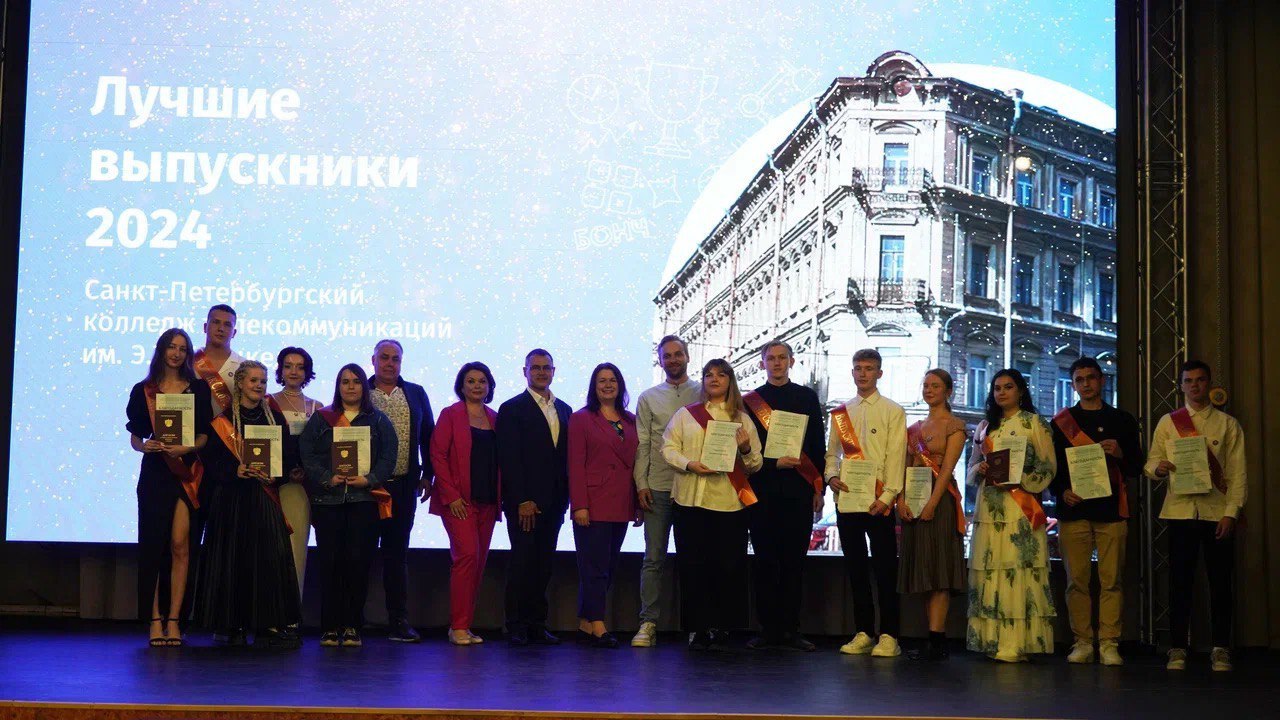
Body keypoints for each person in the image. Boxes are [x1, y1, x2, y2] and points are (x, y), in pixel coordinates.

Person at [1145, 360, 1247, 672]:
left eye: (1200, 380)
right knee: (1179, 583)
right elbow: (1151, 462)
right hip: (1180, 512)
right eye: (1188, 381)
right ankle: (1177, 647)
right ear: (1181, 386)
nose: (1194, 386)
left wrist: (1231, 513)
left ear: (1209, 383)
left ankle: (1220, 647)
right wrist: (1159, 468)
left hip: (1217, 513)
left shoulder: (1228, 424)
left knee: (1220, 583)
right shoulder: (1168, 422)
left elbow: (1238, 474)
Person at [194, 360, 301, 648]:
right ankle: (231, 624)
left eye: (263, 381)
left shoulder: (275, 419)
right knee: (232, 560)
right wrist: (235, 471)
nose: (259, 385)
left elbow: (288, 458)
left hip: (264, 498)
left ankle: (268, 624)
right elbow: (211, 462)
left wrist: (277, 473)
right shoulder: (223, 421)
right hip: (232, 499)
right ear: (240, 383)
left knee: (268, 560)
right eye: (253, 380)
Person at [662, 358, 763, 651]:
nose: (714, 379)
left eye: (721, 375)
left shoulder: (742, 420)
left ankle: (722, 627)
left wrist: (745, 448)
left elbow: (755, 464)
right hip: (690, 502)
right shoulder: (685, 415)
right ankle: (697, 628)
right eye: (708, 375)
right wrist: (690, 463)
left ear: (730, 381)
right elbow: (668, 448)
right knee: (693, 568)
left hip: (729, 504)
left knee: (727, 568)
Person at [1049, 357, 1144, 666]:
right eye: (1080, 379)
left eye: (1091, 377)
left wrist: (1120, 453)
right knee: (1076, 581)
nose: (1086, 383)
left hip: (1111, 510)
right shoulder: (1061, 422)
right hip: (1073, 510)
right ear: (1073, 385)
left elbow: (1137, 466)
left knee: (1111, 581)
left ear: (1102, 380)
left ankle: (1109, 642)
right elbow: (1052, 468)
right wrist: (1061, 490)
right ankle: (1082, 641)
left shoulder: (1122, 420)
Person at [299, 363, 397, 648]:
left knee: (358, 564)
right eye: (345, 381)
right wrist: (326, 477)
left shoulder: (378, 420)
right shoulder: (322, 418)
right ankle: (329, 627)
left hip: (364, 502)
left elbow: (389, 457)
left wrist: (369, 479)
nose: (351, 386)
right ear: (338, 386)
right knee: (330, 564)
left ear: (364, 386)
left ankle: (353, 626)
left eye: (356, 381)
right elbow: (307, 454)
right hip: (328, 502)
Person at [125, 328, 211, 647]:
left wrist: (187, 448)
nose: (176, 353)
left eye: (182, 348)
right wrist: (144, 446)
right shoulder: (144, 390)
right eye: (171, 347)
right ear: (161, 350)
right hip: (155, 473)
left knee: (180, 544)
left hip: (187, 472)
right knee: (153, 545)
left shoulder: (198, 389)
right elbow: (136, 436)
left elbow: (204, 436)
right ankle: (154, 620)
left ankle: (175, 618)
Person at [965, 368, 1057, 662]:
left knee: (1017, 571)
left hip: (1020, 508)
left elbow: (1048, 466)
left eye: (1008, 387)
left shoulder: (1034, 423)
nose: (1001, 392)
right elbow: (970, 469)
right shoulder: (985, 427)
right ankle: (992, 640)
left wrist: (1022, 480)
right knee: (992, 570)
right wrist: (979, 469)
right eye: (997, 388)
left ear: (1021, 391)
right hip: (989, 508)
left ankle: (1016, 643)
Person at [741, 341, 826, 652]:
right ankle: (767, 630)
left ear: (791, 361)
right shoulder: (750, 401)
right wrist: (772, 463)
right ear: (762, 363)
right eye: (771, 359)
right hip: (762, 490)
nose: (776, 363)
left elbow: (817, 444)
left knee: (794, 563)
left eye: (782, 358)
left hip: (799, 490)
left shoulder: (807, 397)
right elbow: (746, 450)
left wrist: (818, 487)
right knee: (765, 563)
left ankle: (791, 630)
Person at [825, 349, 906, 658]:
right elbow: (832, 454)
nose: (862, 373)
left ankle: (890, 635)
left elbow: (896, 456)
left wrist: (887, 497)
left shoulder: (892, 410)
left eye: (869, 368)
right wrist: (831, 477)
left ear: (879, 373)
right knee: (856, 570)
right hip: (848, 501)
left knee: (885, 570)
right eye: (858, 368)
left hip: (879, 501)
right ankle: (864, 632)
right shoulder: (841, 413)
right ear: (852, 372)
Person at [497, 349, 572, 646]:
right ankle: (516, 625)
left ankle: (537, 624)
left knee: (544, 565)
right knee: (522, 563)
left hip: (554, 503)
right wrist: (521, 500)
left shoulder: (565, 409)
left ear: (554, 371)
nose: (541, 372)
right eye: (535, 367)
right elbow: (509, 459)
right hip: (524, 504)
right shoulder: (512, 408)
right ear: (525, 371)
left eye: (546, 367)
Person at [631, 335, 701, 648]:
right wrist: (641, 484)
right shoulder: (648, 397)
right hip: (658, 488)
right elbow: (643, 444)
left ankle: (696, 624)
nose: (673, 360)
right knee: (653, 559)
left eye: (677, 354)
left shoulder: (703, 392)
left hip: (694, 488)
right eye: (667, 356)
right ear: (660, 361)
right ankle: (648, 623)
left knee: (694, 560)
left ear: (687, 356)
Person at [429, 362, 501, 646]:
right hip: (458, 502)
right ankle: (458, 626)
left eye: (482, 381)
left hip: (488, 502)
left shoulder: (495, 418)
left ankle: (465, 625)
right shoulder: (450, 414)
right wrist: (451, 496)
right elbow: (437, 455)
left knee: (478, 563)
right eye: (471, 381)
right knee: (467, 556)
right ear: (461, 385)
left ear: (489, 386)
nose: (476, 386)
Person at [368, 339, 435, 643]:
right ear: (373, 360)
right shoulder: (360, 390)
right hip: (366, 490)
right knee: (359, 555)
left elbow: (428, 437)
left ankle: (398, 621)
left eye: (395, 358)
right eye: (384, 357)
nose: (389, 363)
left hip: (404, 487)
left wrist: (428, 475)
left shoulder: (416, 393)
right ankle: (350, 621)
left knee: (397, 557)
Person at [568, 363, 639, 649]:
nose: (608, 385)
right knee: (594, 567)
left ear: (620, 385)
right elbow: (575, 465)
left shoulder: (632, 420)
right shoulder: (581, 419)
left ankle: (586, 623)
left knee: (608, 566)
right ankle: (598, 623)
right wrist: (579, 505)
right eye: (602, 381)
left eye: (612, 380)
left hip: (621, 502)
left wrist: (637, 503)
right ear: (594, 386)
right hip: (593, 504)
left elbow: (636, 464)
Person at [898, 369, 967, 661]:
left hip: (940, 503)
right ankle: (932, 638)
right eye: (925, 385)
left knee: (939, 572)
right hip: (915, 500)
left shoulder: (955, 425)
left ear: (948, 391)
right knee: (925, 570)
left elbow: (948, 470)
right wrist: (902, 498)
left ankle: (937, 640)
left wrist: (933, 503)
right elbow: (905, 467)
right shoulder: (914, 428)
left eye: (935, 386)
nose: (929, 390)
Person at [269, 346, 321, 599]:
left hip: (301, 488)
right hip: (270, 487)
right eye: (288, 366)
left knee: (296, 549)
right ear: (280, 370)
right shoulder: (266, 402)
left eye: (300, 367)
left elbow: (322, 451)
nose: (293, 371)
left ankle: (291, 611)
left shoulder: (317, 407)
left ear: (307, 372)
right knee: (268, 551)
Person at [192, 304, 245, 416]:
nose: (221, 329)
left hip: (230, 427)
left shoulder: (243, 366)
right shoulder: (188, 362)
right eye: (216, 322)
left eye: (227, 325)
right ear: (205, 327)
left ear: (234, 333)